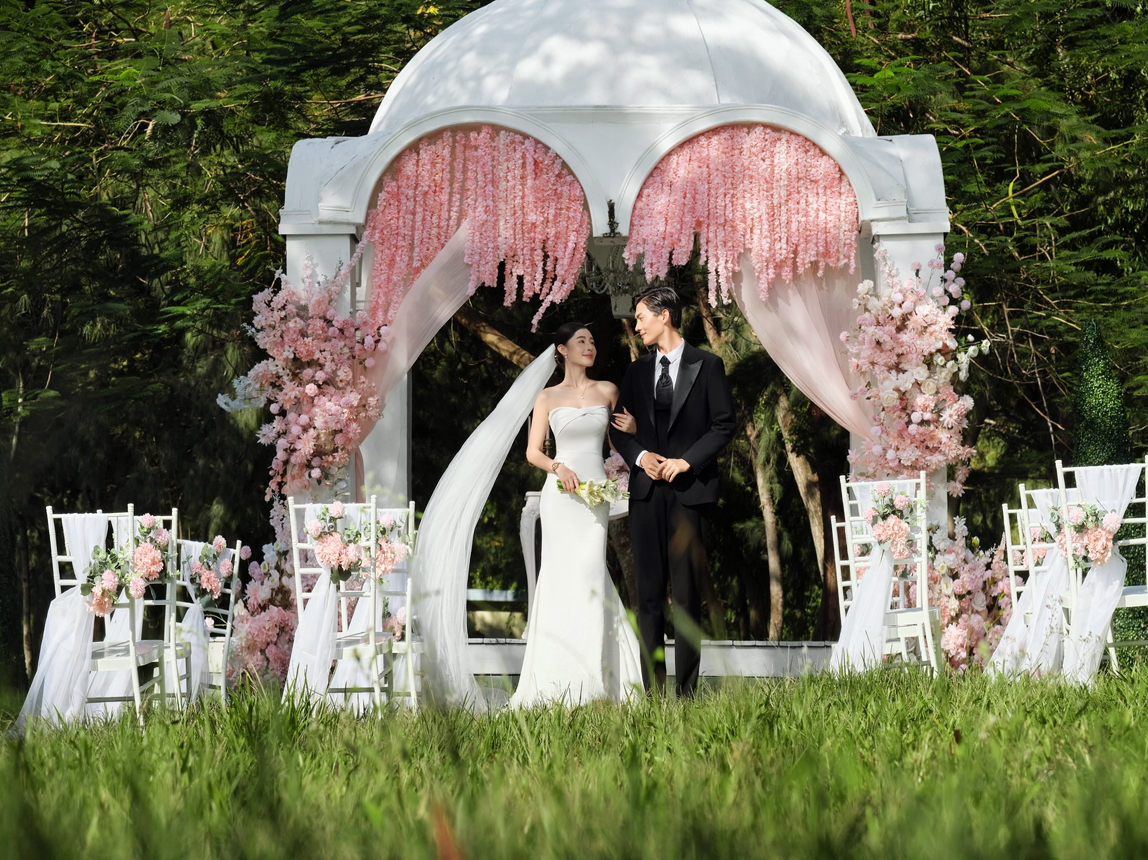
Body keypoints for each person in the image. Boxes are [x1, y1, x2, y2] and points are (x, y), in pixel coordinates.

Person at [609, 287, 736, 698]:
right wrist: (641, 455)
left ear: (665, 315)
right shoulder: (636, 372)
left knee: (686, 596)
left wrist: (686, 462)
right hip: (646, 495)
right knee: (647, 597)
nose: (637, 325)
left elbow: (724, 424)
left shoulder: (708, 365)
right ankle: (653, 694)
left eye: (641, 316)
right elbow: (619, 429)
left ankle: (686, 695)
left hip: (690, 493)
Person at [509, 323, 644, 707]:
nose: (590, 346)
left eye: (593, 341)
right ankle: (555, 679)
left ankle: (600, 680)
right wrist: (558, 468)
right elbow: (533, 452)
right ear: (563, 350)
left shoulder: (608, 391)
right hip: (561, 496)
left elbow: (621, 443)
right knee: (558, 577)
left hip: (595, 496)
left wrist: (635, 428)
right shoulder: (547, 397)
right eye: (581, 341)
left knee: (591, 573)